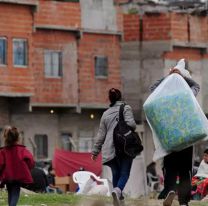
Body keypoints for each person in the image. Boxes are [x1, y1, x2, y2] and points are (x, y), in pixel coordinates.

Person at [150, 59, 200, 206]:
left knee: (170, 167)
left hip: (170, 139)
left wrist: (169, 77)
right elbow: (196, 85)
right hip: (186, 138)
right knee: (185, 170)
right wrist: (181, 76)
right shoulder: (188, 94)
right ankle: (184, 201)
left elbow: (152, 87)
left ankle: (170, 191)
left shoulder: (163, 96)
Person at [91, 88, 136, 206]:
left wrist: (95, 151)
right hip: (124, 146)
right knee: (124, 173)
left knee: (116, 174)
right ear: (120, 97)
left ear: (110, 99)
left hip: (109, 149)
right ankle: (117, 191)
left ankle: (118, 201)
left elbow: (101, 135)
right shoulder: (126, 108)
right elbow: (131, 124)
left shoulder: (105, 114)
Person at [0, 126, 35, 206]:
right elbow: (31, 162)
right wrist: (27, 169)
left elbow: (0, 164)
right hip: (18, 176)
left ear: (5, 138)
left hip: (7, 176)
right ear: (17, 138)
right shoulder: (22, 150)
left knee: (10, 192)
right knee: (15, 192)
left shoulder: (3, 151)